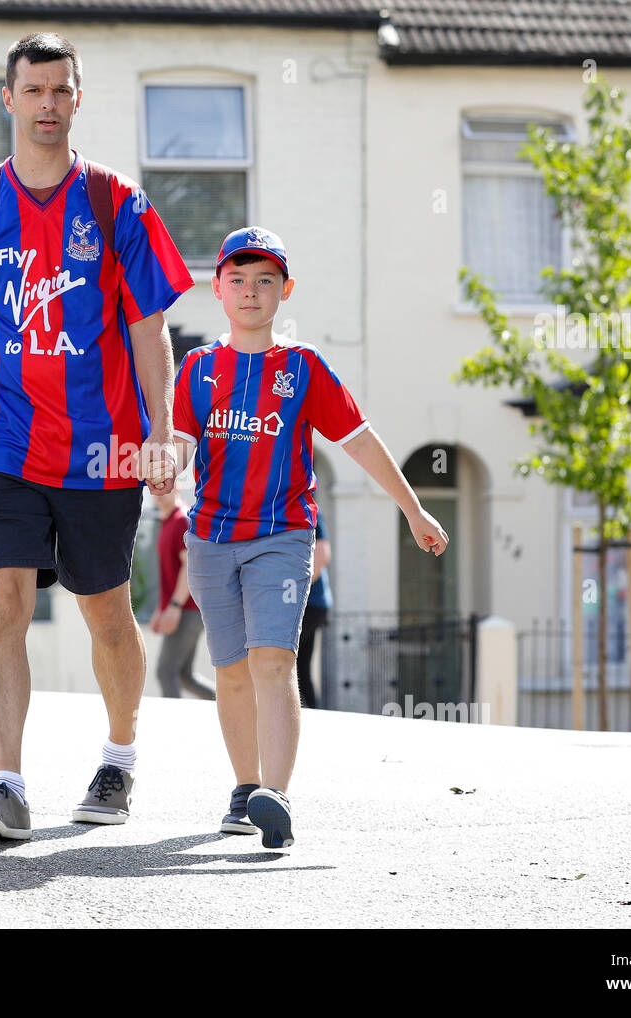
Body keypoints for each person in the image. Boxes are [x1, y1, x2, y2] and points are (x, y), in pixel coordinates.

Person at [0, 32, 193, 841]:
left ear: (78, 97)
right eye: (32, 91)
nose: (46, 106)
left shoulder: (116, 203)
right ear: (7, 98)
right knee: (2, 599)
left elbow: (149, 329)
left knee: (105, 611)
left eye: (60, 91)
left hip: (102, 449)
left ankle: (119, 757)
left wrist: (163, 433)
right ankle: (5, 783)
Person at [173, 226, 449, 848]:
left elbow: (361, 441)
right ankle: (245, 790)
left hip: (283, 535)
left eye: (265, 281)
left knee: (274, 659)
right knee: (232, 670)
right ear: (217, 288)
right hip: (211, 539)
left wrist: (413, 509)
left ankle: (277, 794)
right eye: (238, 280)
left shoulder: (302, 368)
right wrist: (152, 464)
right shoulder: (196, 369)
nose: (250, 292)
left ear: (285, 291)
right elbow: (177, 451)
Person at [150, 489, 216, 700]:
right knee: (184, 676)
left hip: (188, 610)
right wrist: (161, 609)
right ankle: (236, 707)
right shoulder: (168, 521)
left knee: (165, 671)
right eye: (154, 487)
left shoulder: (182, 520)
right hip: (184, 610)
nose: (158, 492)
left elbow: (190, 566)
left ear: (177, 488)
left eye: (165, 486)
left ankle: (174, 727)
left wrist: (175, 607)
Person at [296, 509, 332, 709]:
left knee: (284, 661)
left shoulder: (310, 511)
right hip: (312, 604)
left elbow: (323, 554)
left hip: (309, 603)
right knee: (300, 667)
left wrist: (300, 587)